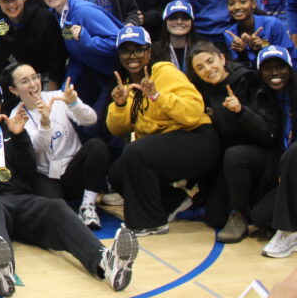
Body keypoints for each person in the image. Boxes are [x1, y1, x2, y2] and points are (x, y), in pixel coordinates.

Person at [0, 78, 138, 298]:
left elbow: (29, 171)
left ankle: (105, 261)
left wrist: (20, 138)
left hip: (20, 199)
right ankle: (3, 271)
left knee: (56, 206)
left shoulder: (12, 131)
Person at [106, 25, 219, 235]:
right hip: (163, 150)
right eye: (126, 51)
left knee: (136, 151)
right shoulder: (129, 86)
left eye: (138, 50)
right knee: (118, 171)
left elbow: (195, 111)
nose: (132, 56)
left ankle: (149, 222)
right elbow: (115, 128)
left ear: (149, 52)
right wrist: (120, 105)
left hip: (197, 140)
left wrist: (158, 96)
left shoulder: (164, 72)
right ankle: (173, 201)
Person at [187, 41, 278, 242]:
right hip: (230, 163)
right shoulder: (202, 92)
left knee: (235, 154)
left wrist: (241, 111)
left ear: (222, 58)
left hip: (262, 155)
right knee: (215, 218)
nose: (208, 70)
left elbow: (268, 133)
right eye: (200, 67)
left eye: (210, 62)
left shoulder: (249, 80)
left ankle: (240, 214)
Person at [6, 63, 108, 229]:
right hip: (46, 175)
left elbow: (91, 120)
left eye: (35, 77)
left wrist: (74, 103)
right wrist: (45, 123)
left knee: (97, 147)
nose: (33, 84)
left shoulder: (58, 97)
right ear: (14, 90)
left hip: (72, 170)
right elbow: (35, 149)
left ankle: (88, 205)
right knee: (55, 216)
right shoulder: (16, 115)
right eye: (25, 81)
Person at [37, 0, 121, 126]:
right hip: (93, 72)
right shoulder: (56, 16)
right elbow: (76, 54)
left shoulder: (84, 12)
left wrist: (87, 40)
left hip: (116, 74)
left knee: (99, 124)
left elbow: (120, 43)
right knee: (75, 119)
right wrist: (64, 89)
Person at [248, 47, 297, 257]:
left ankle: (288, 231)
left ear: (290, 69)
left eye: (280, 67)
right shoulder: (262, 97)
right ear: (260, 73)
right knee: (261, 218)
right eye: (268, 68)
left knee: (294, 153)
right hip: (288, 174)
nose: (275, 73)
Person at [0, 0, 67, 91]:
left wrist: (53, 87)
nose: (11, 4)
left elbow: (58, 56)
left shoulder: (43, 17)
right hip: (15, 80)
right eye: (5, 0)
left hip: (45, 75)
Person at [224, 0, 294, 66]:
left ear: (253, 4)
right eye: (231, 3)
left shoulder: (273, 24)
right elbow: (239, 69)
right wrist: (241, 52)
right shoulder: (229, 35)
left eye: (243, 2)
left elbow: (288, 55)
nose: (236, 7)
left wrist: (264, 45)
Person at [152, 0, 201, 72]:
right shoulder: (154, 50)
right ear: (165, 21)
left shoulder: (201, 47)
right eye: (173, 18)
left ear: (191, 22)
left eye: (185, 18)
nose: (179, 22)